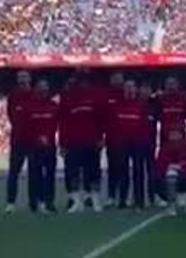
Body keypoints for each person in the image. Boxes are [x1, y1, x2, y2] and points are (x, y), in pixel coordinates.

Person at [58, 73, 103, 213]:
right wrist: (62, 143)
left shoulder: (95, 98)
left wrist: (101, 138)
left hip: (92, 141)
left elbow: (100, 120)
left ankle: (95, 200)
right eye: (78, 82)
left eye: (84, 82)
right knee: (73, 173)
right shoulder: (67, 98)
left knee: (94, 172)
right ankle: (77, 202)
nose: (82, 85)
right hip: (73, 142)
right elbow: (62, 123)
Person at [109, 79, 150, 209]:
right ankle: (123, 200)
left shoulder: (141, 105)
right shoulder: (117, 105)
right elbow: (114, 125)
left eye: (132, 86)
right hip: (122, 143)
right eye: (127, 87)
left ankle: (139, 201)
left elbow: (145, 125)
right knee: (123, 172)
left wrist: (144, 141)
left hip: (138, 143)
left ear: (136, 89)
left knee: (138, 171)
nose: (130, 89)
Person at [28, 78, 60, 214]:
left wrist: (49, 137)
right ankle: (35, 202)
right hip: (33, 145)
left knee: (50, 174)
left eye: (45, 87)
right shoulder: (30, 106)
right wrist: (38, 137)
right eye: (40, 87)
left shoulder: (54, 106)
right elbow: (26, 126)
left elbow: (58, 124)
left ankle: (49, 202)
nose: (43, 90)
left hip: (50, 145)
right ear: (36, 89)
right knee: (35, 175)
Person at [4, 70, 34, 214]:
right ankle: (10, 203)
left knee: (34, 173)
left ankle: (34, 203)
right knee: (13, 173)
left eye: (25, 77)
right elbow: (10, 115)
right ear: (17, 80)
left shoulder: (34, 95)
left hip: (33, 140)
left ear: (30, 79)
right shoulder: (13, 96)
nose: (22, 80)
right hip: (18, 140)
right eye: (20, 77)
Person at [153, 128, 186, 215]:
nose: (174, 137)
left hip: (185, 174)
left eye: (176, 134)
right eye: (172, 135)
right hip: (169, 174)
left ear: (181, 135)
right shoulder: (164, 148)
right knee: (168, 177)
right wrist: (169, 167)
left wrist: (182, 168)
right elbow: (159, 164)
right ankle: (171, 204)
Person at [101, 71, 125, 207]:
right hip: (111, 138)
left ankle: (123, 197)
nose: (117, 81)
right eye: (115, 79)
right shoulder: (106, 96)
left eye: (119, 79)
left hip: (126, 139)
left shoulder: (126, 94)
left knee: (123, 169)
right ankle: (111, 196)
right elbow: (102, 117)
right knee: (113, 168)